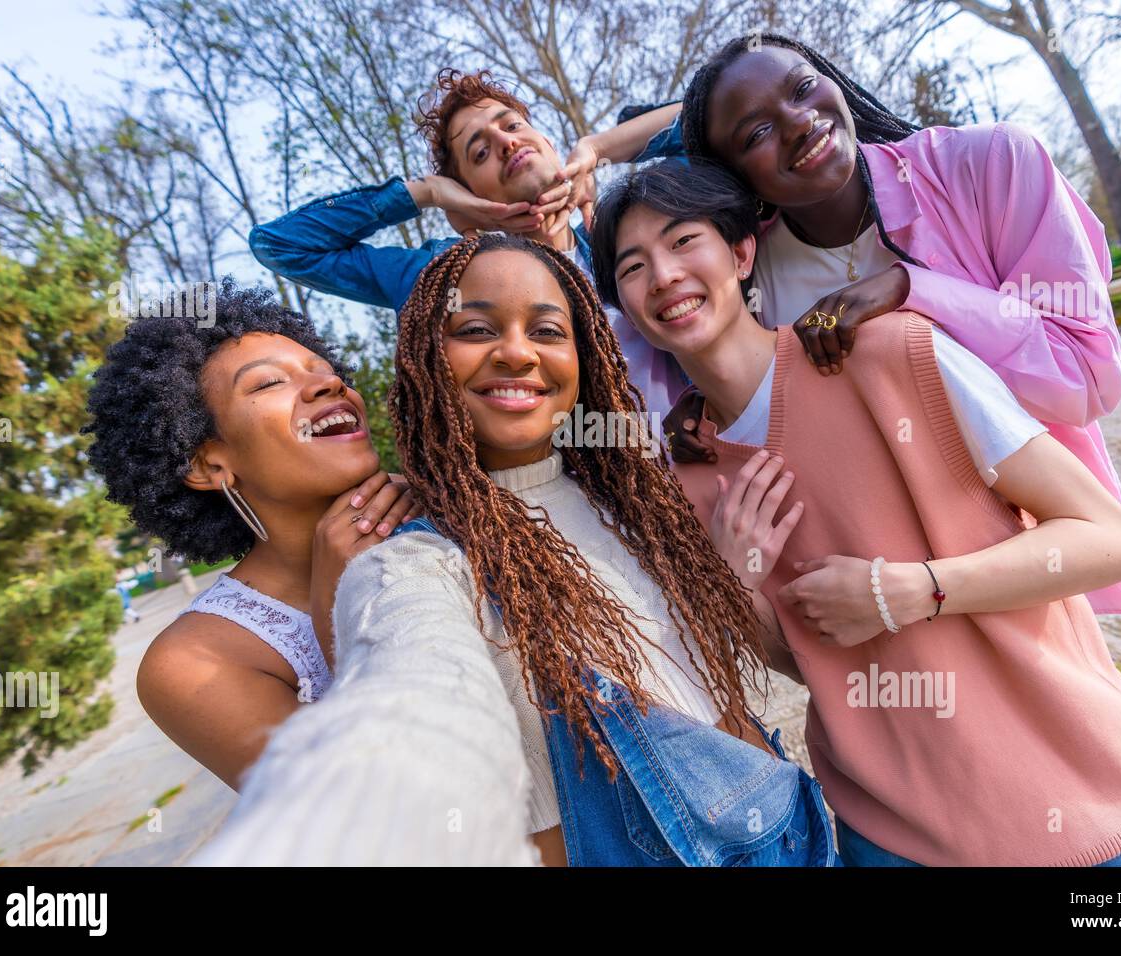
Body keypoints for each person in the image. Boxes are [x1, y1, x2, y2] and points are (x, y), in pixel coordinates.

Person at [589, 157, 1121, 866]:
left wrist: (913, 589)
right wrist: (737, 579)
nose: (663, 276)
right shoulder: (681, 479)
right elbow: (807, 661)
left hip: (1085, 802)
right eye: (633, 266)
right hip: (895, 838)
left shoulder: (893, 353)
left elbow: (1112, 539)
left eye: (685, 241)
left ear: (742, 251)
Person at [192, 234, 838, 867]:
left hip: (798, 835)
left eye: (549, 331)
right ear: (424, 356)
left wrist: (732, 578)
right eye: (475, 330)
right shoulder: (413, 560)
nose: (516, 352)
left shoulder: (639, 502)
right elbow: (413, 682)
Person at [613, 32, 1121, 615]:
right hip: (885, 582)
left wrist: (909, 290)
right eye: (757, 133)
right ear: (731, 176)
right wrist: (705, 407)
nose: (799, 123)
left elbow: (1088, 379)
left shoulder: (992, 163)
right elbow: (758, 381)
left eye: (803, 88)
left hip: (1044, 544)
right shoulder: (751, 273)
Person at [83, 280, 418, 790]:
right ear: (207, 463)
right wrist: (337, 605)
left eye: (328, 373)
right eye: (267, 384)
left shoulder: (448, 518)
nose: (330, 386)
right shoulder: (192, 663)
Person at [248, 68, 687, 410]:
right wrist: (425, 193)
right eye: (479, 151)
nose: (504, 141)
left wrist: (598, 147)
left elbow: (726, 111)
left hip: (708, 479)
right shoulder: (444, 277)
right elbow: (281, 246)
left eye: (512, 125)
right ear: (472, 194)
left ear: (547, 143)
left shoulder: (629, 234)